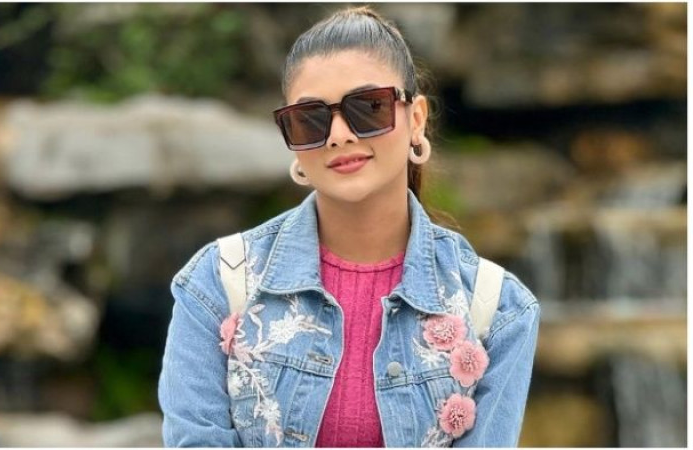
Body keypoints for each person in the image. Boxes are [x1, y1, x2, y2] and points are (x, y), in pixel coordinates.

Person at [158, 6, 540, 447]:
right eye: (311, 118)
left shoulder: (498, 309)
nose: (339, 134)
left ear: (416, 119)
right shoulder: (217, 284)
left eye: (369, 107)